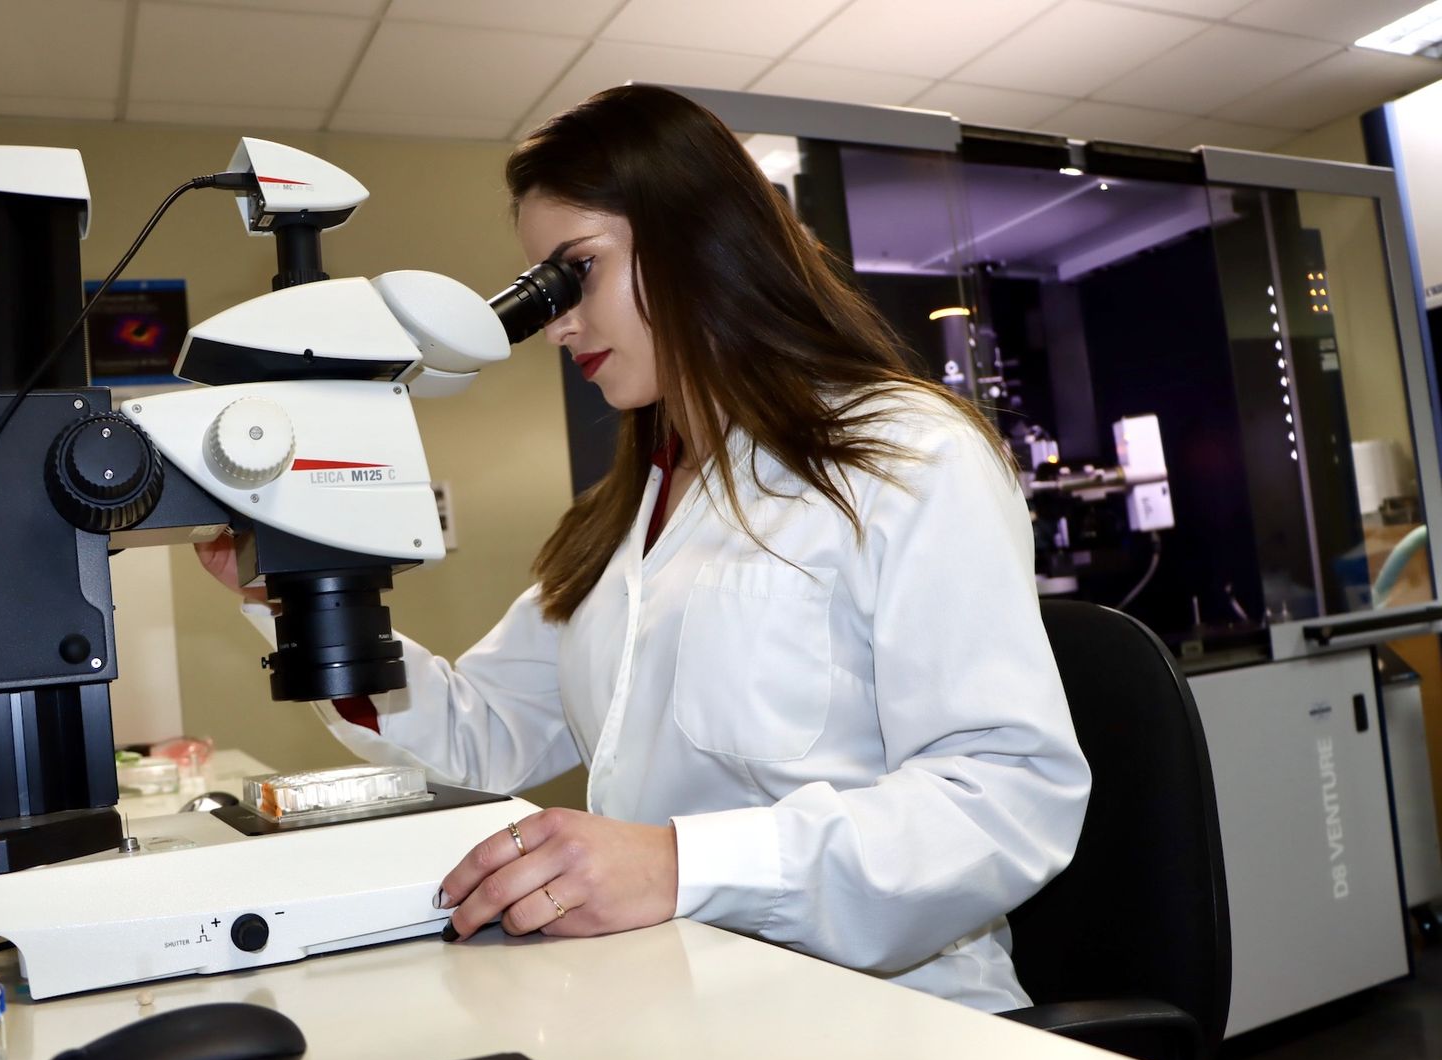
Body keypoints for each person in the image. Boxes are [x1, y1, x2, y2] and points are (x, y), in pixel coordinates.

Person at [200, 84, 1090, 1013]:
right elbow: (486, 734)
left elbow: (1005, 796)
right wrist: (285, 590)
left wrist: (679, 862)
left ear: (696, 239)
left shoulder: (904, 454)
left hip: (894, 1010)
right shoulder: (624, 509)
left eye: (574, 270)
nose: (557, 321)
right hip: (679, 989)